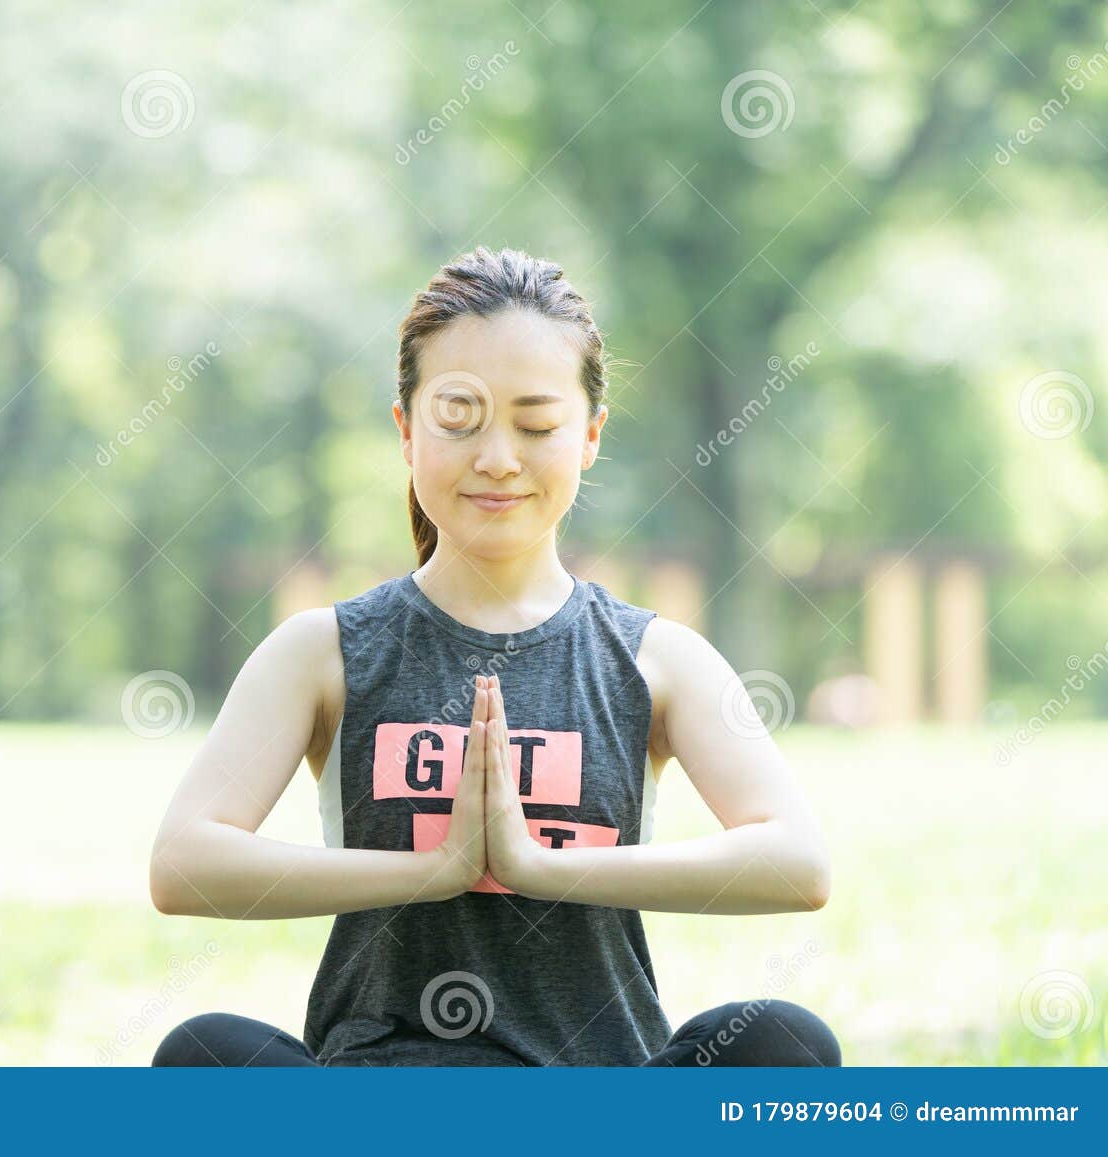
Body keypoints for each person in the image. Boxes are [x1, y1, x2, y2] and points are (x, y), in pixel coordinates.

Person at [147, 245, 840, 1067]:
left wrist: (538, 865)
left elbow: (796, 861)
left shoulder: (655, 659)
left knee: (782, 1044)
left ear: (588, 436)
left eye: (537, 424)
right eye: (459, 416)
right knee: (206, 1055)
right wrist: (434, 867)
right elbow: (183, 862)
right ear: (406, 428)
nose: (499, 457)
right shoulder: (323, 651)